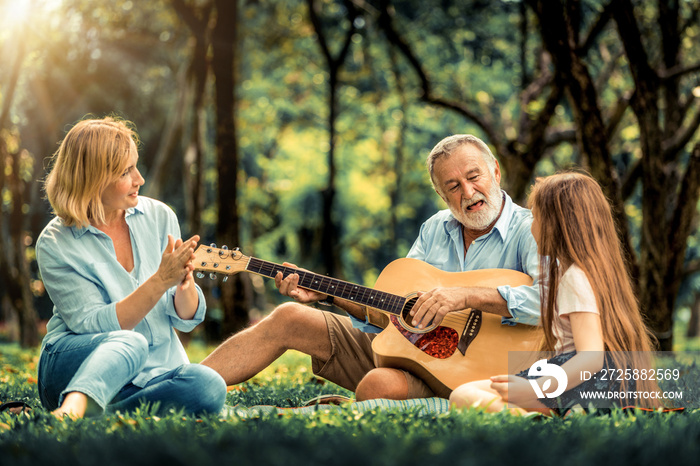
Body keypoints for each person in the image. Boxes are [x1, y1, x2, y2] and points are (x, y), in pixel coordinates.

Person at [202, 134, 541, 400]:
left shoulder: (531, 230)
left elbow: (554, 301)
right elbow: (391, 314)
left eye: (473, 176)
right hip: (411, 353)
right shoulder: (434, 229)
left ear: (495, 171)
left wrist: (466, 296)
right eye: (453, 186)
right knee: (290, 316)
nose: (468, 191)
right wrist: (328, 294)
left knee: (377, 385)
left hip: (480, 372)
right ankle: (184, 386)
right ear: (442, 194)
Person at [36, 117, 227, 419]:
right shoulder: (56, 241)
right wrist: (160, 280)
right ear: (93, 178)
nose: (140, 179)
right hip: (74, 366)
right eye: (126, 172)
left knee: (208, 385)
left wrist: (183, 283)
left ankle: (100, 416)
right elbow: (93, 325)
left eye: (136, 166)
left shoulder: (160, 216)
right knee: (129, 341)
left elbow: (186, 319)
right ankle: (73, 407)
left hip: (146, 377)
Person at [449, 172, 660, 414]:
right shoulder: (593, 272)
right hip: (590, 383)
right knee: (478, 391)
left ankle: (537, 423)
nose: (531, 225)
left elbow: (591, 358)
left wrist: (535, 389)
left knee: (463, 395)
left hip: (580, 383)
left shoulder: (575, 278)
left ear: (558, 225)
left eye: (536, 217)